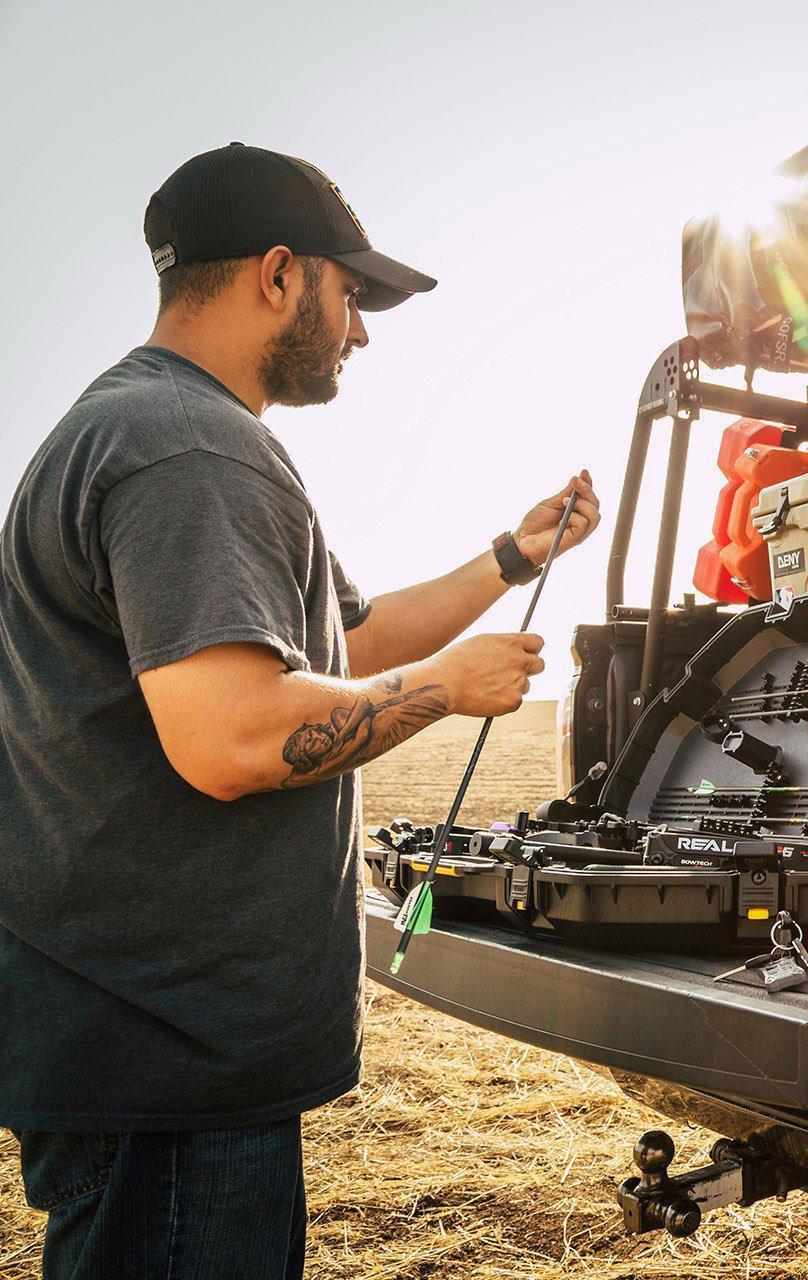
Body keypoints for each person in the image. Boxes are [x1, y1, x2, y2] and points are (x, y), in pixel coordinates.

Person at [0, 143, 602, 1279]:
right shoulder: (188, 449)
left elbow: (344, 645)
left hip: (152, 1049)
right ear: (280, 275)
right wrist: (447, 688)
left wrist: (512, 556)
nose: (363, 329)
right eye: (351, 291)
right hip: (166, 1064)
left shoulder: (154, 426)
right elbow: (233, 734)